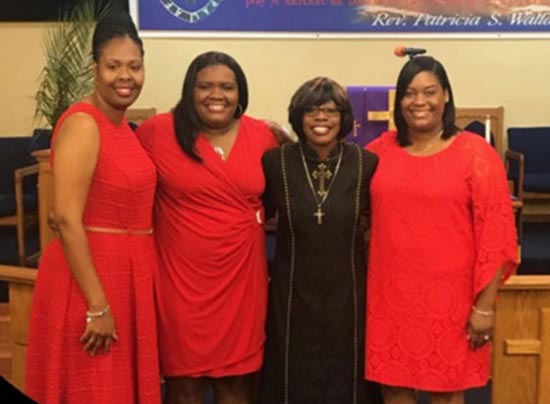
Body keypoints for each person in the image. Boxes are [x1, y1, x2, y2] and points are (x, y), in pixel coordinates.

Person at [365, 56, 518, 404]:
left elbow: (497, 235)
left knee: (446, 391)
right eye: (409, 93)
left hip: (450, 299)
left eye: (429, 92)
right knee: (394, 386)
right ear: (399, 100)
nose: (419, 101)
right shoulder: (379, 151)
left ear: (446, 95)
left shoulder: (475, 154)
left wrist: (485, 307)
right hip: (390, 296)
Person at [26, 13, 160, 404]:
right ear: (94, 68)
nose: (125, 76)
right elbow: (66, 218)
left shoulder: (120, 126)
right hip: (91, 281)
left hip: (127, 274)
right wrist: (97, 305)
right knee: (96, 389)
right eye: (113, 66)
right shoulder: (84, 123)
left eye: (134, 66)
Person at [136, 51, 279, 404]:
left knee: (238, 387)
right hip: (181, 285)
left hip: (242, 283)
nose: (217, 95)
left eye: (227, 87)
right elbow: (124, 178)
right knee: (184, 387)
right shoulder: (158, 133)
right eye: (205, 86)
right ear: (190, 91)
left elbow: (284, 190)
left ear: (240, 93)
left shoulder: (262, 135)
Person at [259, 77, 382, 404]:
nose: (321, 119)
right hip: (292, 290)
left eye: (330, 111)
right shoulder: (276, 163)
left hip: (348, 293)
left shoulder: (365, 164)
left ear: (344, 118)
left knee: (346, 373)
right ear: (298, 116)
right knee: (292, 370)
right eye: (312, 111)